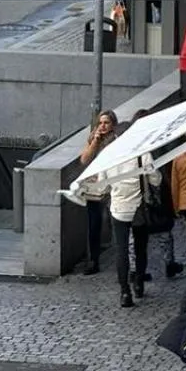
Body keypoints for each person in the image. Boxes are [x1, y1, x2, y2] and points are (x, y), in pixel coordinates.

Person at [108, 153, 161, 307]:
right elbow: (155, 179)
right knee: (140, 247)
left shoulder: (110, 155)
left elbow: (103, 185)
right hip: (138, 208)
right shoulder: (142, 155)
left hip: (118, 209)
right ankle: (138, 283)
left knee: (121, 250)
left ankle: (125, 292)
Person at [77, 110, 117, 275]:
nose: (102, 126)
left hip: (112, 184)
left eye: (106, 123)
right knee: (94, 224)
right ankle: (93, 260)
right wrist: (95, 142)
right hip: (94, 187)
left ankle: (121, 260)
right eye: (100, 123)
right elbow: (84, 159)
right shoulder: (93, 137)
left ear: (113, 124)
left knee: (114, 222)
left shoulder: (116, 140)